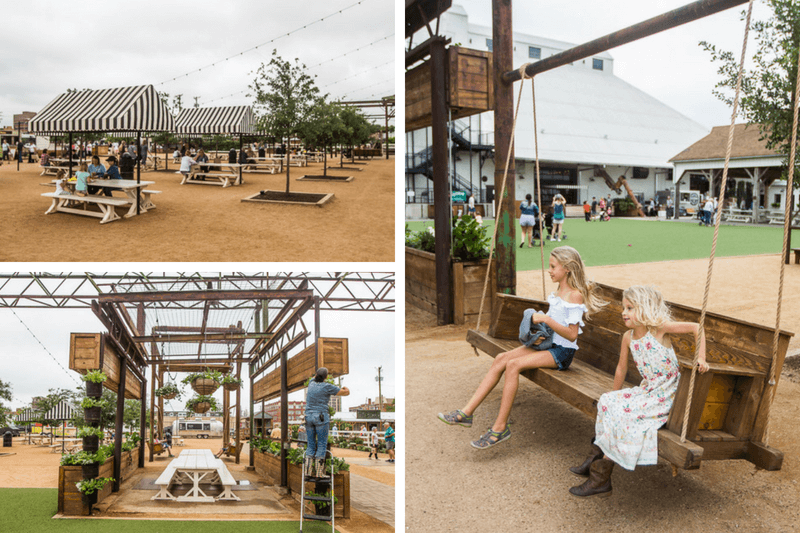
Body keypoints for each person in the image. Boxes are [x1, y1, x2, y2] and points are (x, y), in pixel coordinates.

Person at [438, 246, 606, 448]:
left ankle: (500, 429)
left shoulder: (575, 295)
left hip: (562, 353)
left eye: (553, 267)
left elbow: (571, 334)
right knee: (501, 358)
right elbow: (553, 324)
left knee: (513, 365)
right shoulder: (559, 291)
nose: (549, 271)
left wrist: (545, 319)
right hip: (548, 344)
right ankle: (466, 413)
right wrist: (539, 329)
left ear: (567, 268)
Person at [568, 285, 708, 497]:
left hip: (667, 393)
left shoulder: (659, 329)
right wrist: (614, 396)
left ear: (645, 308)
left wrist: (701, 357)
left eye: (630, 308)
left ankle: (600, 476)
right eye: (624, 308)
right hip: (649, 390)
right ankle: (595, 456)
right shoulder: (628, 337)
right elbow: (621, 368)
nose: (624, 312)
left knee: (626, 415)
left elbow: (697, 327)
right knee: (607, 402)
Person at [304, 368, 350, 479]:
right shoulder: (327, 386)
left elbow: (314, 378)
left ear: (316, 375)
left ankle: (308, 472)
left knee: (310, 444)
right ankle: (319, 473)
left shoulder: (311, 383)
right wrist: (344, 388)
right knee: (321, 444)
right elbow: (346, 392)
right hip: (320, 417)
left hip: (308, 417)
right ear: (326, 377)